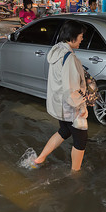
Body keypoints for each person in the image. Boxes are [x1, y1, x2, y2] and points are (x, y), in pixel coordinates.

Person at [34, 20, 88, 172]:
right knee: (81, 139)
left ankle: (40, 158)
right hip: (70, 106)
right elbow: (70, 88)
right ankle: (75, 173)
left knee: (64, 131)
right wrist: (81, 107)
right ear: (72, 37)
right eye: (81, 36)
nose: (82, 39)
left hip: (59, 103)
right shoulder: (69, 58)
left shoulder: (57, 50)